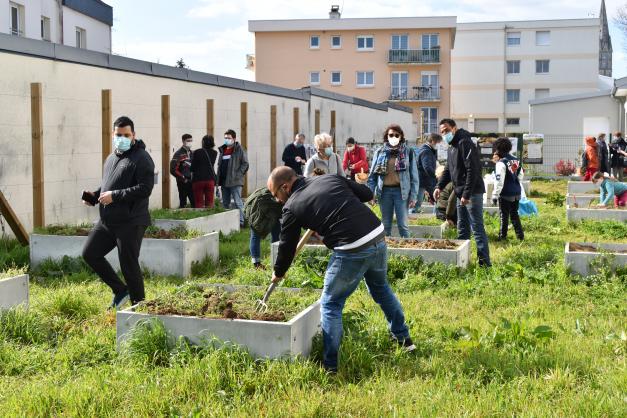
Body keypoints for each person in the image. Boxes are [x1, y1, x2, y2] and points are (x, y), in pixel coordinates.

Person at [268, 167, 415, 373]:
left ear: (285, 187)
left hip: (351, 249)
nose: (277, 200)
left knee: (331, 304)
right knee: (381, 288)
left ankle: (330, 366)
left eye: (276, 195)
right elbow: (366, 194)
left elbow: (287, 245)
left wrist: (279, 271)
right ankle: (404, 339)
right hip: (377, 236)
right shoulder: (329, 178)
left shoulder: (292, 206)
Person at [81, 116, 155, 310]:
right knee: (90, 253)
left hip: (131, 221)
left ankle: (139, 308)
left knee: (129, 265)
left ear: (133, 136)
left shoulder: (142, 158)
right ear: (113, 135)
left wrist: (115, 195)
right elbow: (110, 184)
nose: (122, 138)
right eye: (118, 135)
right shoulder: (111, 157)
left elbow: (145, 188)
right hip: (108, 221)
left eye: (126, 135)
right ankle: (120, 290)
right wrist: (95, 195)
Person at [434, 118, 491, 267]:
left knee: (477, 227)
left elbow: (473, 170)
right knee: (462, 227)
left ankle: (484, 264)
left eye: (446, 130)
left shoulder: (464, 143)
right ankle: (462, 261)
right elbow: (448, 169)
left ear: (454, 128)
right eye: (442, 132)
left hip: (472, 192)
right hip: (461, 193)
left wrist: (466, 194)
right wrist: (439, 186)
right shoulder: (452, 146)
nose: (444, 133)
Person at [367, 124, 419, 238]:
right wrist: (370, 194)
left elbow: (414, 176)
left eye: (397, 135)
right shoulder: (380, 152)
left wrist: (414, 196)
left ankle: (407, 251)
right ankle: (386, 252)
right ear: (387, 136)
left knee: (403, 225)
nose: (394, 137)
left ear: (401, 137)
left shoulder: (407, 152)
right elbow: (372, 176)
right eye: (391, 135)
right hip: (384, 192)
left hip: (401, 192)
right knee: (385, 225)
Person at [490, 138, 524, 241]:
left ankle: (502, 237)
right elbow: (520, 175)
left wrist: (495, 195)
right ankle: (520, 236)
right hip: (516, 191)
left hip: (505, 193)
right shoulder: (515, 160)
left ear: (498, 149)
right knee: (514, 214)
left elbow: (499, 181)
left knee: (503, 215)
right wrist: (514, 184)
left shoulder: (501, 163)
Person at [244, 186, 282, 269]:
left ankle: (276, 259)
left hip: (268, 206)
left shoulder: (278, 188)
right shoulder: (257, 210)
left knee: (277, 232)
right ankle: (256, 264)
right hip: (256, 208)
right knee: (255, 234)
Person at [217, 129, 249, 227]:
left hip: (235, 181)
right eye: (225, 138)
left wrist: (238, 175)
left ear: (234, 139)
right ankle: (226, 223)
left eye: (229, 138)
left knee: (238, 202)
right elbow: (220, 165)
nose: (227, 140)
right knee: (225, 203)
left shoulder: (240, 149)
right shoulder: (223, 150)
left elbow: (245, 164)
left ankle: (242, 222)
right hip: (224, 181)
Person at [415, 133, 442, 211]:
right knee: (417, 203)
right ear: (433, 141)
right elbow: (427, 167)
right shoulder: (426, 151)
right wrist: (436, 175)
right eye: (438, 142)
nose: (439, 145)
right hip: (423, 180)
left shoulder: (428, 150)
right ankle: (412, 217)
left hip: (424, 180)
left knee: (419, 201)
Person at [191, 135, 218, 208]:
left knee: (199, 202)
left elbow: (192, 167)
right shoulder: (215, 153)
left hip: (198, 180)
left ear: (203, 142)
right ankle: (210, 217)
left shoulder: (197, 152)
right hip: (210, 180)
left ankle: (199, 217)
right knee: (210, 202)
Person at [170, 133, 194, 208]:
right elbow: (173, 169)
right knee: (183, 203)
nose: (190, 142)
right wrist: (183, 178)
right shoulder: (178, 154)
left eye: (191, 140)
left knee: (195, 202)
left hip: (192, 182)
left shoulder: (192, 153)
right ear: (183, 141)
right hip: (182, 182)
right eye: (188, 140)